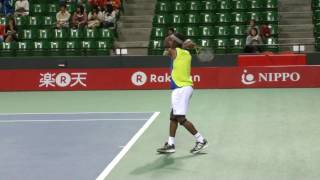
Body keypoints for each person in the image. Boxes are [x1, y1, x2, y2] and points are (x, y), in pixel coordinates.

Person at [157, 33, 208, 154]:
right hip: (184, 88)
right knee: (173, 116)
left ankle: (201, 140)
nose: (169, 41)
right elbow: (179, 47)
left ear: (175, 43)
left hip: (181, 89)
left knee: (180, 118)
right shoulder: (187, 53)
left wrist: (171, 37)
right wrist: (184, 43)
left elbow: (165, 45)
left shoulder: (175, 52)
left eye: (172, 40)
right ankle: (171, 144)